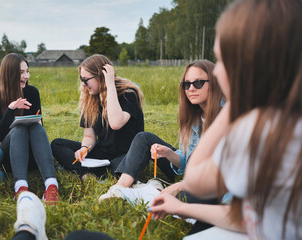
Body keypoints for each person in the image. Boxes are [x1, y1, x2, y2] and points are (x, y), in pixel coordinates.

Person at [177, 0, 302, 239]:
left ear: (252, 69)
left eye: (222, 61)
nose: (217, 71)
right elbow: (250, 216)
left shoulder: (257, 130)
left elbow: (194, 179)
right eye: (186, 84)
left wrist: (236, 103)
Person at [99, 60, 222, 200]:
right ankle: (120, 188)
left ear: (214, 83)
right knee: (143, 138)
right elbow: (186, 160)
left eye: (198, 83)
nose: (191, 89)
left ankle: (152, 189)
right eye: (186, 84)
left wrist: (182, 185)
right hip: (193, 175)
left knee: (181, 197)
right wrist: (168, 153)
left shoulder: (227, 117)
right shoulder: (192, 116)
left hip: (212, 183)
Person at [51, 54, 144, 179]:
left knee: (117, 167)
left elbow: (116, 123)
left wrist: (110, 85)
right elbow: (89, 136)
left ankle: (97, 171)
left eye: (86, 79)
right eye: (81, 79)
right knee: (57, 144)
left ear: (102, 76)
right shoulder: (89, 98)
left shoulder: (128, 94)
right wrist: (84, 149)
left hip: (126, 153)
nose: (83, 84)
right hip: (103, 153)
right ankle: (86, 174)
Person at [0, 53, 59, 203]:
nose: (26, 76)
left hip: (33, 157)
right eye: (21, 72)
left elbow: (39, 124)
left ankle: (52, 186)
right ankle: (20, 187)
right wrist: (11, 110)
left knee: (36, 127)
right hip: (10, 158)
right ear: (9, 74)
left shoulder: (32, 92)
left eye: (27, 71)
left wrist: (38, 123)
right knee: (18, 129)